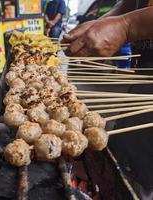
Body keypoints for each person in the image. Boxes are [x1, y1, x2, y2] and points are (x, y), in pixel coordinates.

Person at [63, 1, 153, 198]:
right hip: (147, 67)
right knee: (128, 148)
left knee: (143, 168)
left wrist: (127, 26)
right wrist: (99, 25)